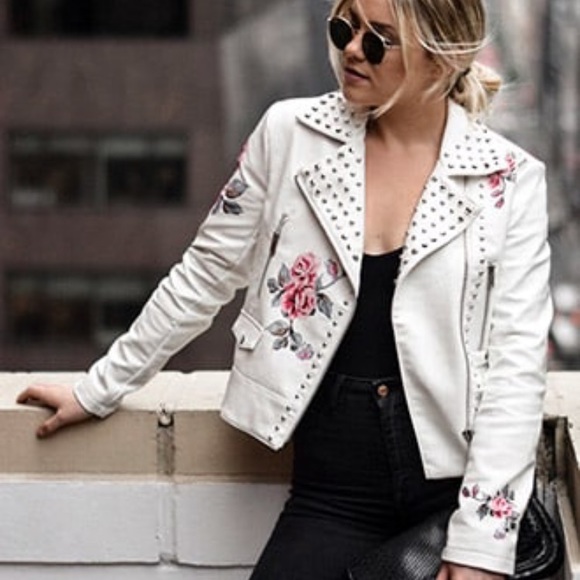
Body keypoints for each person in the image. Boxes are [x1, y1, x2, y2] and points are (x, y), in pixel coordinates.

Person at [17, 0, 552, 578]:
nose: (352, 49)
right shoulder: (290, 134)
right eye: (344, 27)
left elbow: (516, 366)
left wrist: (479, 546)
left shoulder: (510, 180)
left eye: (379, 40)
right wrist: (100, 388)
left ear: (442, 60)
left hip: (451, 489)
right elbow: (206, 271)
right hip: (334, 490)